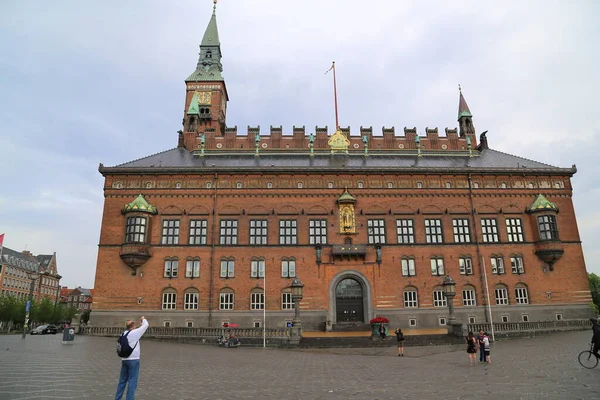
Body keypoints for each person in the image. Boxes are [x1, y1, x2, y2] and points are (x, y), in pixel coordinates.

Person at [115, 316, 149, 400]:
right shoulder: (134, 333)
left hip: (124, 360)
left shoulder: (122, 334)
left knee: (122, 381)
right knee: (132, 382)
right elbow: (146, 325)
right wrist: (143, 319)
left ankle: (117, 398)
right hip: (133, 360)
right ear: (133, 327)